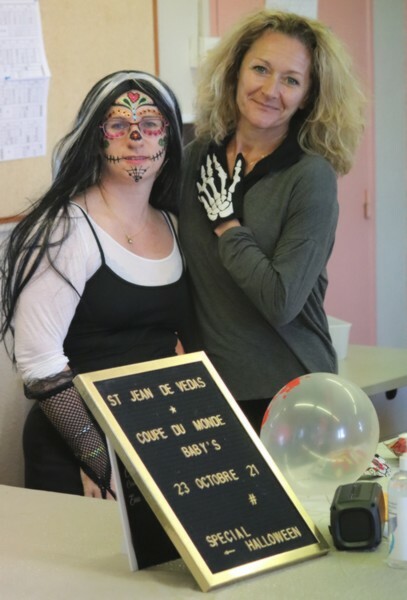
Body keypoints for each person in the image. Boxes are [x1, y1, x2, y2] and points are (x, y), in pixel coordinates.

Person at [0, 70, 192, 498]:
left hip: (152, 444)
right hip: (76, 450)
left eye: (151, 124)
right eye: (119, 125)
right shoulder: (64, 228)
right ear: (96, 138)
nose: (136, 138)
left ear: (169, 140)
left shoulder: (175, 224)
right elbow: (39, 363)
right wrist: (98, 457)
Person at [179, 9, 366, 433]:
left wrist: (226, 224)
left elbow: (281, 300)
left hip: (292, 393)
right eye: (260, 69)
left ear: (308, 97)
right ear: (235, 71)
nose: (269, 90)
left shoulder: (310, 176)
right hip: (210, 388)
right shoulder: (196, 158)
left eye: (291, 80)